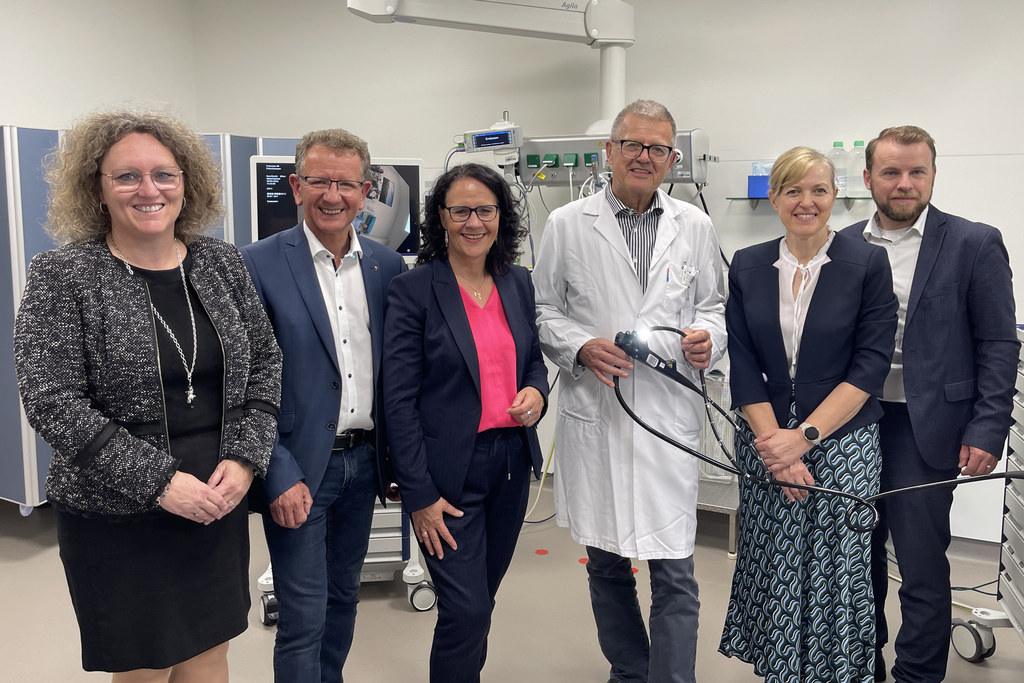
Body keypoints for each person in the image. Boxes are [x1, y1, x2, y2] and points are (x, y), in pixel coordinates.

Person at [13, 110, 282, 681]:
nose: (149, 189)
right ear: (97, 189)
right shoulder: (65, 275)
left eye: (164, 173)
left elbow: (264, 364)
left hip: (215, 502)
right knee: (143, 668)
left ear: (188, 183)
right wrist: (158, 483)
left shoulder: (221, 263)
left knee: (212, 653)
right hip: (117, 516)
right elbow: (52, 399)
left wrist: (244, 457)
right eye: (127, 176)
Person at [532, 99, 726, 683]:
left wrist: (707, 340)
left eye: (658, 148)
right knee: (607, 565)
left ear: (672, 158)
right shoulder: (568, 223)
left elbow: (715, 307)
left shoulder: (694, 225)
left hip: (668, 417)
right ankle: (630, 670)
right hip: (600, 409)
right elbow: (543, 309)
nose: (645, 157)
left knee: (675, 571)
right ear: (608, 151)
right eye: (633, 145)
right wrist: (580, 347)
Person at [841, 126, 1019, 682]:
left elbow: (998, 343)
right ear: (868, 178)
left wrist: (989, 427)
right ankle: (859, 665)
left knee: (920, 564)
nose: (904, 184)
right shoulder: (842, 244)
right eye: (891, 172)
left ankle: (918, 676)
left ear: (934, 175)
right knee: (855, 563)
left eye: (917, 171)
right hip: (851, 424)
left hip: (927, 427)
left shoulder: (972, 242)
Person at [717, 146, 898, 681]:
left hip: (842, 442)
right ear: (773, 198)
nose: (806, 201)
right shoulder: (748, 264)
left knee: (836, 575)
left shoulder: (867, 262)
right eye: (793, 190)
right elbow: (743, 362)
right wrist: (778, 447)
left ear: (835, 196)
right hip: (767, 441)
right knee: (775, 567)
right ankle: (779, 671)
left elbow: (870, 365)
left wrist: (807, 437)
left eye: (818, 189)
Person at [240, 128, 405, 683]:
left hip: (365, 465)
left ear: (365, 192)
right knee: (304, 615)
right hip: (298, 468)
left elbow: (396, 373)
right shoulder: (256, 264)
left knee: (343, 600)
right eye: (319, 182)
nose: (332, 196)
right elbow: (242, 386)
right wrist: (277, 473)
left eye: (346, 184)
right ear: (295, 186)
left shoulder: (386, 266)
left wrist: (397, 460)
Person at [382, 162, 549, 682]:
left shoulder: (517, 282)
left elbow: (533, 363)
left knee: (482, 602)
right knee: (466, 608)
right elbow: (399, 401)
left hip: (509, 464)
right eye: (461, 211)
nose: (474, 222)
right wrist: (419, 496)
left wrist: (536, 395)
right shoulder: (415, 291)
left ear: (501, 216)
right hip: (448, 475)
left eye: (485, 210)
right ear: (441, 218)